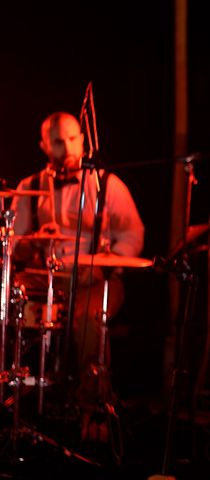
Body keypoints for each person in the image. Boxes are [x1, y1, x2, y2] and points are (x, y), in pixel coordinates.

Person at [10, 111, 144, 409]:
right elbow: (13, 248)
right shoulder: (29, 186)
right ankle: (18, 392)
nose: (68, 149)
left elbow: (133, 233)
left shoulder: (108, 185)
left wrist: (105, 265)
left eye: (73, 140)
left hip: (97, 281)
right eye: (58, 142)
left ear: (83, 141)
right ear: (44, 146)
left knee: (87, 318)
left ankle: (93, 405)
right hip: (45, 282)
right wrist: (33, 241)